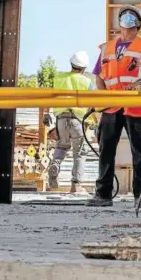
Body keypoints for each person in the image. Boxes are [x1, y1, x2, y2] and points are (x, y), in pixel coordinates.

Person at [86, 5, 141, 208]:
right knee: (106, 150)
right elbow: (99, 76)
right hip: (111, 107)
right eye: (124, 16)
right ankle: (102, 194)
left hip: (135, 106)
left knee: (139, 152)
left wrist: (139, 83)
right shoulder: (107, 48)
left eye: (132, 17)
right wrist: (104, 97)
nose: (127, 20)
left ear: (138, 24)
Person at [45, 51, 96, 194]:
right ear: (84, 68)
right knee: (79, 153)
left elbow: (49, 96)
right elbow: (95, 102)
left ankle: (55, 164)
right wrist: (96, 122)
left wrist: (46, 114)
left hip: (61, 119)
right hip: (78, 121)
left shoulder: (59, 78)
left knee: (61, 146)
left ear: (71, 64)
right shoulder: (86, 81)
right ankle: (76, 185)